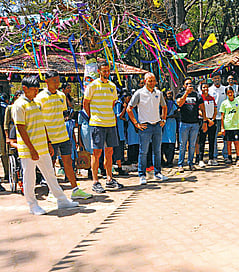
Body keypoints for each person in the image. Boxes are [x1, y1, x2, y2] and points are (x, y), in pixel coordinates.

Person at [13, 75, 79, 215]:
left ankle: (62, 200)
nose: (36, 92)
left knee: (50, 175)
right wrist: (31, 149)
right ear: (25, 89)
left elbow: (43, 124)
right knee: (29, 178)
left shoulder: (36, 104)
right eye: (33, 90)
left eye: (37, 89)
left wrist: (48, 143)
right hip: (28, 150)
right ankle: (32, 205)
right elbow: (21, 128)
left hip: (42, 146)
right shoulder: (19, 105)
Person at [35, 70, 92, 199]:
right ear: (46, 81)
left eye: (58, 80)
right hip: (49, 137)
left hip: (63, 135)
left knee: (68, 162)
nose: (57, 83)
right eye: (54, 80)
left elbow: (62, 115)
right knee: (51, 164)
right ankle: (52, 191)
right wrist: (47, 140)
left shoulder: (61, 96)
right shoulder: (40, 98)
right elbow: (40, 120)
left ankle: (75, 189)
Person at [83, 61, 124, 193]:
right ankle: (95, 181)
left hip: (110, 123)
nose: (106, 73)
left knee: (109, 152)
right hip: (97, 124)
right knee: (96, 152)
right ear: (99, 71)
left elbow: (112, 103)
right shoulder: (92, 86)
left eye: (108, 70)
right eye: (104, 71)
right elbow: (86, 103)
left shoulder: (112, 86)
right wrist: (93, 117)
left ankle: (109, 179)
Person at [127, 73, 168, 185]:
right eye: (150, 80)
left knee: (157, 151)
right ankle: (142, 175)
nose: (152, 83)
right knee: (143, 152)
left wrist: (163, 119)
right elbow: (129, 108)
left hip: (157, 125)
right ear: (145, 81)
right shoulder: (139, 93)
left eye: (153, 80)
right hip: (145, 126)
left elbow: (164, 106)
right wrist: (136, 123)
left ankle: (158, 173)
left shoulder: (159, 93)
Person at [176, 78, 207, 172]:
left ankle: (191, 163)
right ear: (184, 86)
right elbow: (179, 104)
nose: (190, 85)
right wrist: (186, 93)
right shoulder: (180, 95)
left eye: (191, 84)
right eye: (187, 84)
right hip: (184, 123)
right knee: (182, 145)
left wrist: (205, 121)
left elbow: (202, 108)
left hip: (195, 124)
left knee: (192, 145)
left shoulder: (197, 95)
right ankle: (180, 164)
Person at [220, 87, 239, 165]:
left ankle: (238, 158)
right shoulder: (224, 103)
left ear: (233, 92)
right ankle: (229, 157)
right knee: (228, 142)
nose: (230, 94)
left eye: (231, 92)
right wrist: (222, 127)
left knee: (236, 142)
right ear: (226, 94)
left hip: (236, 126)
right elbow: (222, 116)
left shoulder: (238, 102)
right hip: (227, 126)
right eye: (228, 92)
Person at [197, 82, 217, 167]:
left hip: (212, 122)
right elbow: (199, 111)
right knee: (202, 141)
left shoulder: (211, 98)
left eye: (207, 87)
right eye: (204, 87)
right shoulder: (199, 98)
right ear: (201, 89)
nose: (206, 89)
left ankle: (211, 159)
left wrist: (213, 119)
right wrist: (208, 120)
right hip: (203, 121)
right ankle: (200, 159)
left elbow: (215, 110)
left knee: (212, 140)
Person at [208, 74, 227, 160]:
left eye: (218, 78)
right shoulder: (209, 90)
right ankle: (214, 155)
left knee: (225, 137)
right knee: (213, 137)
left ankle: (226, 155)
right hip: (213, 117)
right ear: (212, 79)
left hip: (224, 117)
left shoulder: (225, 89)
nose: (217, 80)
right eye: (215, 78)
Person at [162, 90, 178, 168]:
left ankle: (170, 161)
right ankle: (164, 161)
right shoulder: (158, 105)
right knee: (163, 145)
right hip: (162, 126)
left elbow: (176, 114)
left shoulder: (171, 104)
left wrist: (168, 116)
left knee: (171, 144)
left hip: (171, 124)